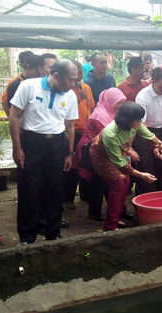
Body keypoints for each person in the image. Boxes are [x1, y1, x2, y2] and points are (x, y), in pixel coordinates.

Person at [9, 59, 78, 245]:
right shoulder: (29, 87)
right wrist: (17, 148)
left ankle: (53, 232)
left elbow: (70, 125)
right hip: (31, 143)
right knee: (29, 189)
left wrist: (69, 153)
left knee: (55, 189)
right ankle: (27, 236)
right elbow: (14, 116)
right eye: (70, 80)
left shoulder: (69, 95)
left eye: (75, 81)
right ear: (56, 75)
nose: (72, 85)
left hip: (56, 145)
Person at [90, 101, 162, 231]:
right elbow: (121, 165)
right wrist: (142, 175)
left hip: (119, 152)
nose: (140, 123)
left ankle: (116, 218)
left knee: (126, 182)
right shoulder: (111, 134)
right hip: (102, 157)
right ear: (127, 120)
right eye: (138, 120)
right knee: (119, 184)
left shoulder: (135, 125)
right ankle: (110, 226)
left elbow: (151, 138)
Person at [74, 88, 126, 221]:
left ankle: (118, 210)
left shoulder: (113, 112)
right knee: (99, 182)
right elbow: (109, 137)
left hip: (105, 149)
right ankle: (95, 212)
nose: (121, 106)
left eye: (122, 102)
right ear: (110, 101)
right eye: (118, 102)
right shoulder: (100, 116)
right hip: (93, 150)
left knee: (110, 181)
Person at [63, 60, 95, 209]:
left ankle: (86, 194)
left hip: (86, 132)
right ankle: (67, 198)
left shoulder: (86, 87)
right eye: (77, 73)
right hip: (71, 132)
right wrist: (78, 98)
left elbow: (92, 108)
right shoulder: (66, 90)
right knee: (71, 168)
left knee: (86, 164)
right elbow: (63, 111)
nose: (80, 76)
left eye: (81, 72)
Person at [1, 50, 34, 116]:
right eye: (27, 65)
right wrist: (12, 118)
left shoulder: (41, 78)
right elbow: (4, 101)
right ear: (21, 65)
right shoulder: (14, 82)